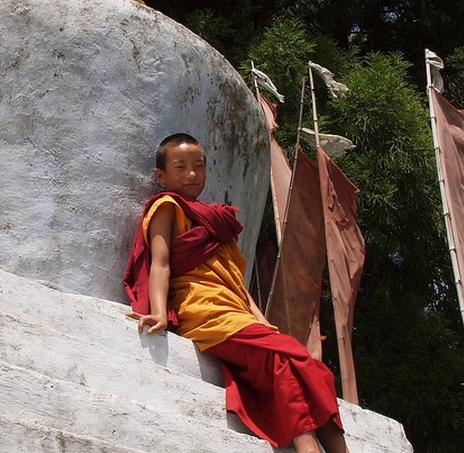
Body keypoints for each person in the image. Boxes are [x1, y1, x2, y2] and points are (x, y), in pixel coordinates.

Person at [123, 133, 348, 453]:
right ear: (162, 175)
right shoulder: (167, 207)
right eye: (181, 167)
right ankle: (307, 448)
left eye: (199, 166)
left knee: (310, 367)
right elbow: (160, 264)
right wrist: (159, 312)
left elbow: (236, 282)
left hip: (234, 310)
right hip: (201, 309)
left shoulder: (217, 220)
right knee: (284, 358)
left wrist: (262, 322)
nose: (191, 174)